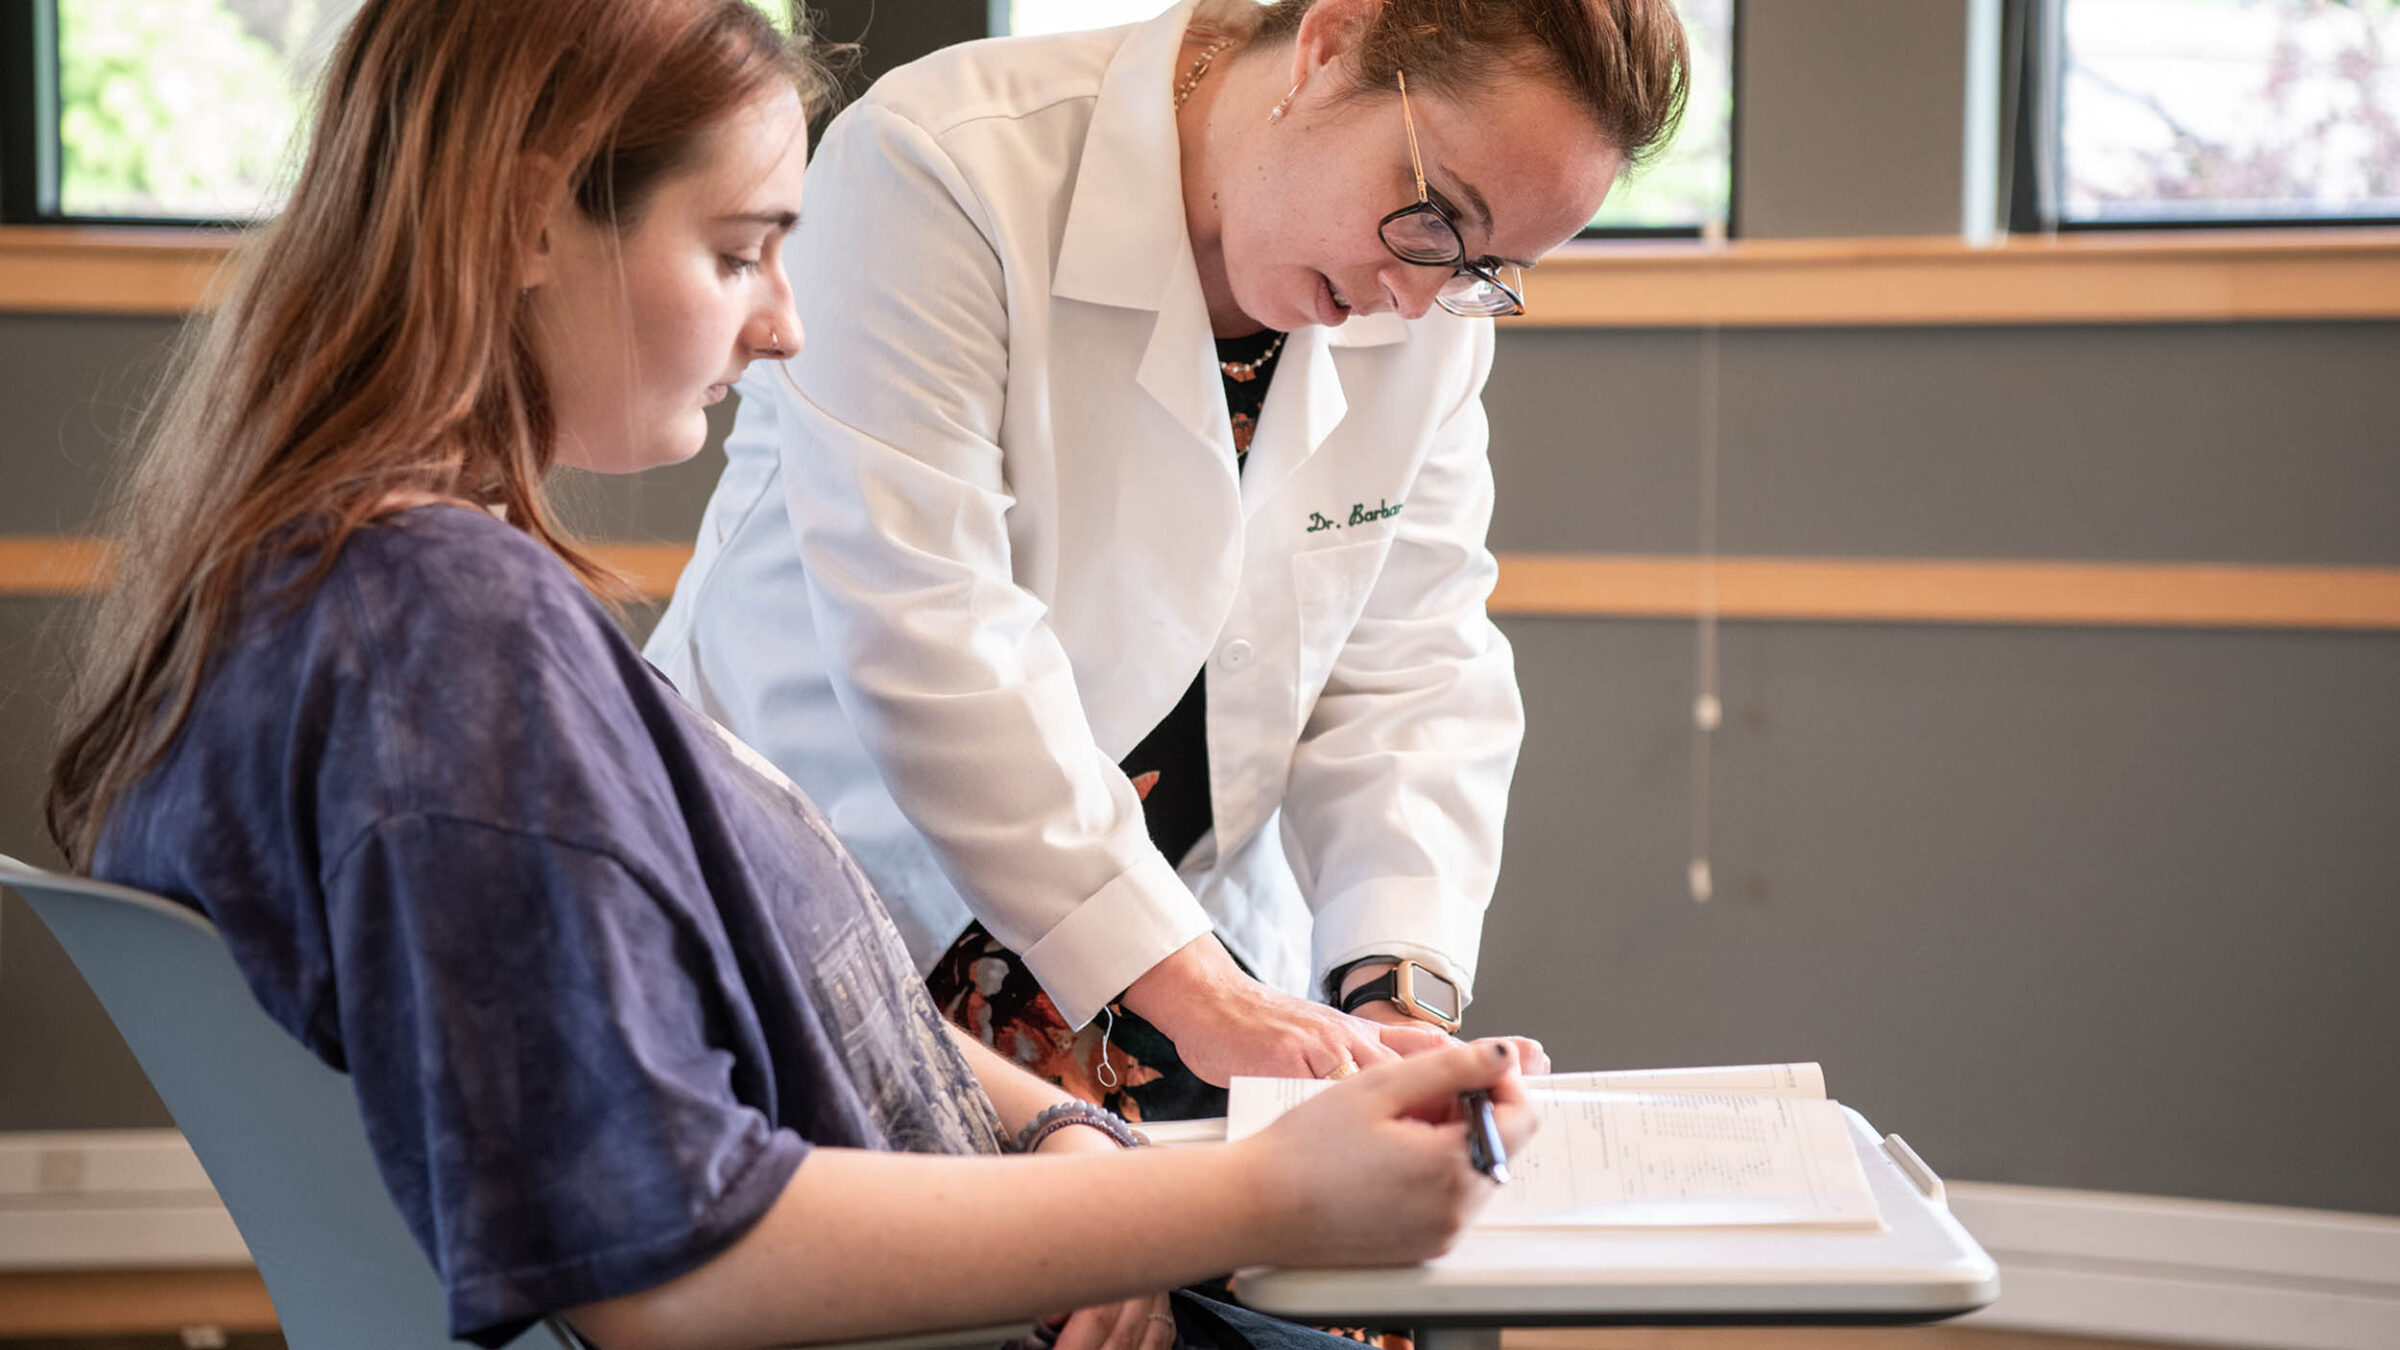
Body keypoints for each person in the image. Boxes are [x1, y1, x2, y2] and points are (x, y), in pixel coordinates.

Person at [42, 2, 1536, 1347]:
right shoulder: (449, 647)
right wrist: (1240, 1201)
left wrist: (1065, 1136)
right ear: (528, 218)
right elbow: (673, 1257)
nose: (785, 323)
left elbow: (814, 995)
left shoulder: (402, 594)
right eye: (740, 250)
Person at [644, 0, 1689, 1119]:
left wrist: (1396, 1006)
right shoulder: (944, 164)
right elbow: (932, 635)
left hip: (1196, 954)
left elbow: (1414, 665)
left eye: (1487, 267)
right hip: (857, 914)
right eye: (1434, 218)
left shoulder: (1424, 312)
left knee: (1355, 1266)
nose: (1421, 297)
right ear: (1328, 47)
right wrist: (1195, 995)